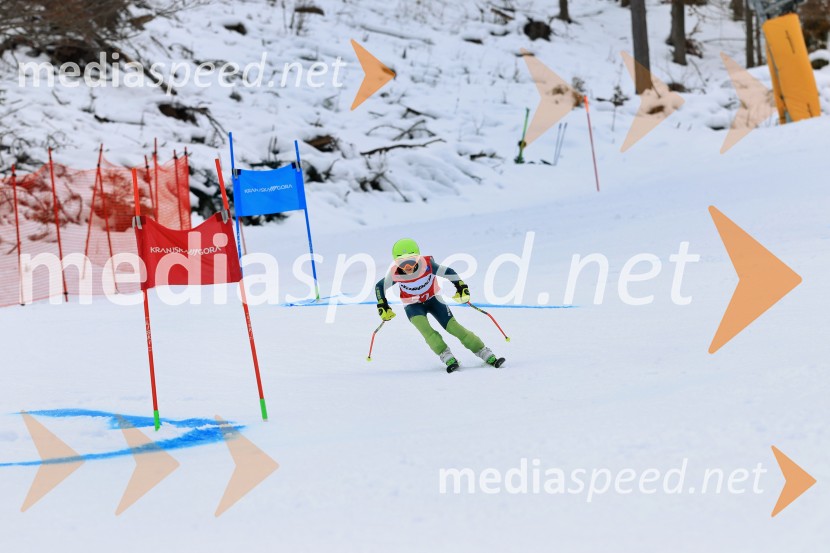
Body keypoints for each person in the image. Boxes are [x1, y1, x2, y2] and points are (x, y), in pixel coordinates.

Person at [375, 238, 505, 373]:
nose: (407, 267)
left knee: (454, 328)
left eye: (411, 261)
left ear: (418, 258)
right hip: (413, 305)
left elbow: (449, 272)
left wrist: (460, 287)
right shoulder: (395, 274)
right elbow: (379, 287)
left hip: (434, 300)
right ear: (396, 263)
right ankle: (446, 355)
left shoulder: (427, 265)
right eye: (402, 263)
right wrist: (382, 304)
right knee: (427, 332)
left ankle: (483, 351)